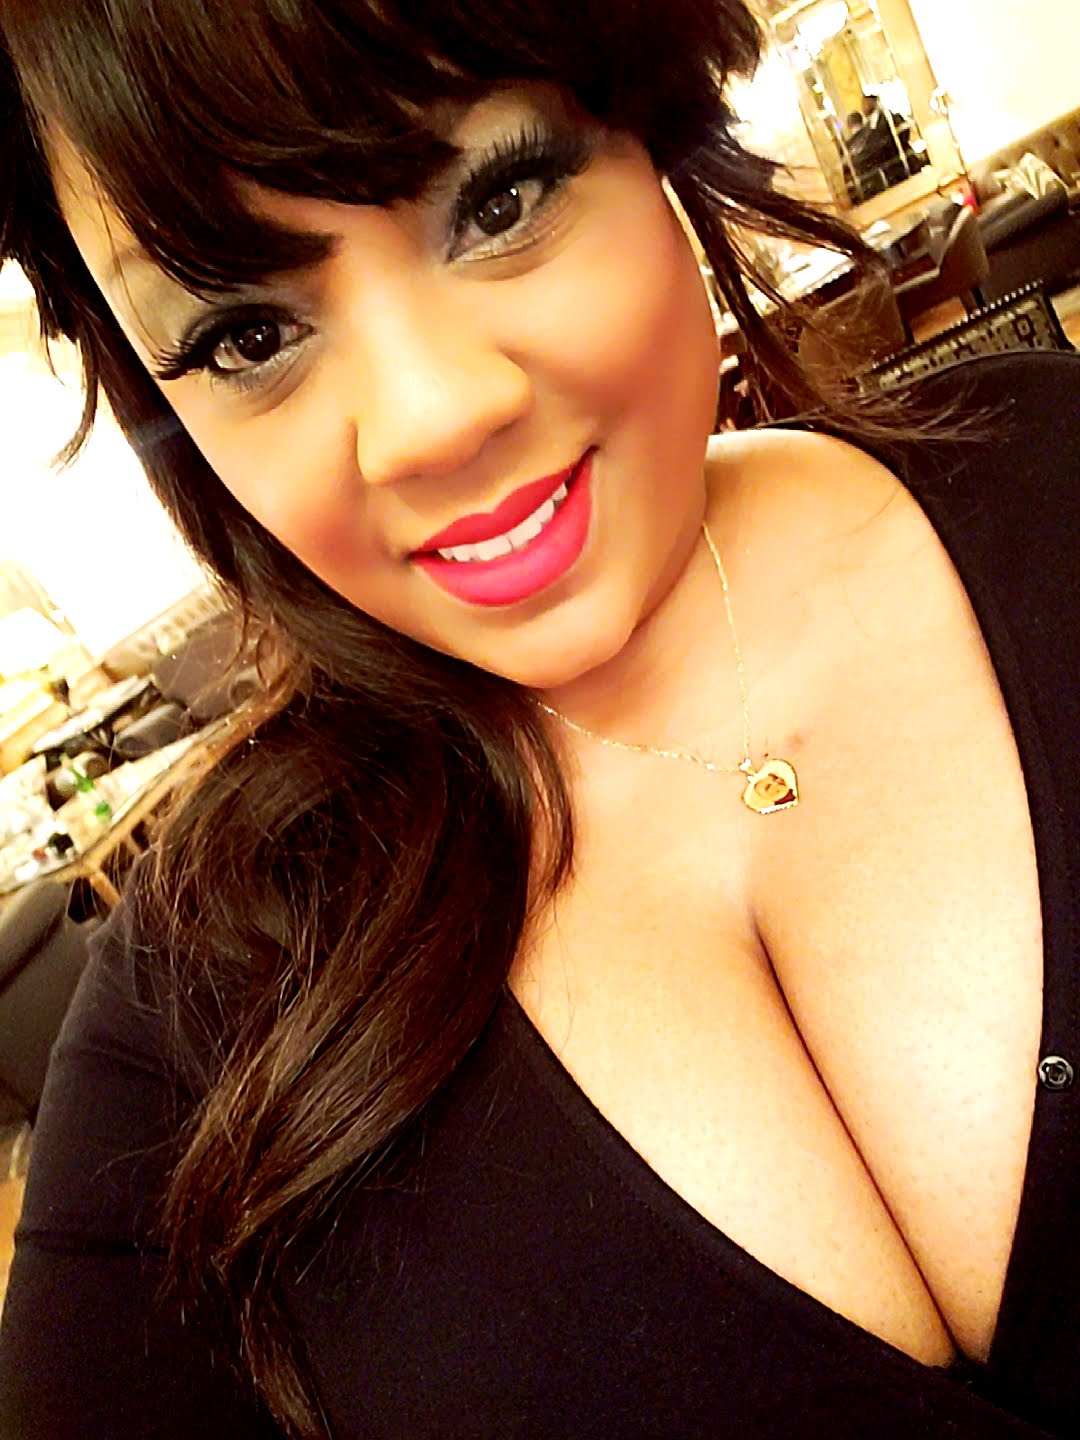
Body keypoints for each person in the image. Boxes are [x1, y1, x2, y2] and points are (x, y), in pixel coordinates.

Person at [0, 2, 1078, 1437]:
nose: (431, 418)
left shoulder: (1056, 465)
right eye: (246, 333)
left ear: (650, 117)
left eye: (500, 198)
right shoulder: (190, 1020)